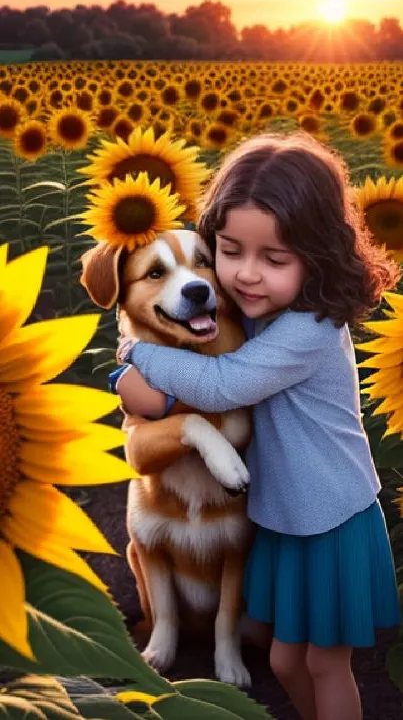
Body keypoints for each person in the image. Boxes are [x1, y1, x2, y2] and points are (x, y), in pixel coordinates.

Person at [112, 131, 401, 720]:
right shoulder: (255, 314)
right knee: (284, 662)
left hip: (329, 520)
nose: (245, 276)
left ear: (318, 256)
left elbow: (226, 386)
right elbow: (198, 387)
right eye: (229, 250)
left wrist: (132, 355)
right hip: (283, 516)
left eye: (273, 259)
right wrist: (158, 402)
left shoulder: (309, 327)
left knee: (324, 662)